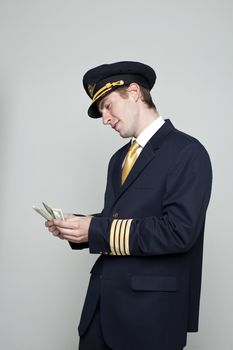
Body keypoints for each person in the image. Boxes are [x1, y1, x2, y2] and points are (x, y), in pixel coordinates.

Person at [45, 61, 212, 350]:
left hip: (150, 317)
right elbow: (120, 218)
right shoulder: (118, 159)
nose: (105, 119)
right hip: (100, 310)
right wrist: (77, 226)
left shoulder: (187, 151)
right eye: (101, 113)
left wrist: (95, 229)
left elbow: (179, 232)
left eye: (108, 106)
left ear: (134, 92)